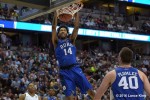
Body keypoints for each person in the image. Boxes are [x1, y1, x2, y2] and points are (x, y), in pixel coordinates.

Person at [52, 11, 95, 100]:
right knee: (70, 97)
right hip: (64, 72)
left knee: (91, 92)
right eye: (61, 30)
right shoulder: (56, 42)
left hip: (75, 68)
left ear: (67, 33)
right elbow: (53, 28)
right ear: (58, 33)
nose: (62, 31)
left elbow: (76, 27)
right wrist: (55, 15)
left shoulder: (71, 40)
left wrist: (76, 14)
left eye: (64, 30)